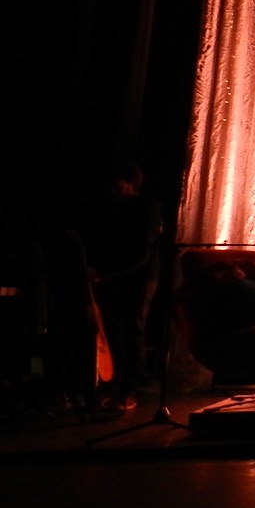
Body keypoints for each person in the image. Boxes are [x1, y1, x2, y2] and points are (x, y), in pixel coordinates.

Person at [76, 159, 164, 413]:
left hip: (140, 277)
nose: (112, 189)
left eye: (118, 184)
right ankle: (113, 385)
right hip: (117, 276)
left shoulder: (146, 208)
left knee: (132, 330)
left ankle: (128, 391)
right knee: (114, 331)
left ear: (130, 183)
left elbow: (141, 253)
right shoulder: (113, 208)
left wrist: (104, 271)